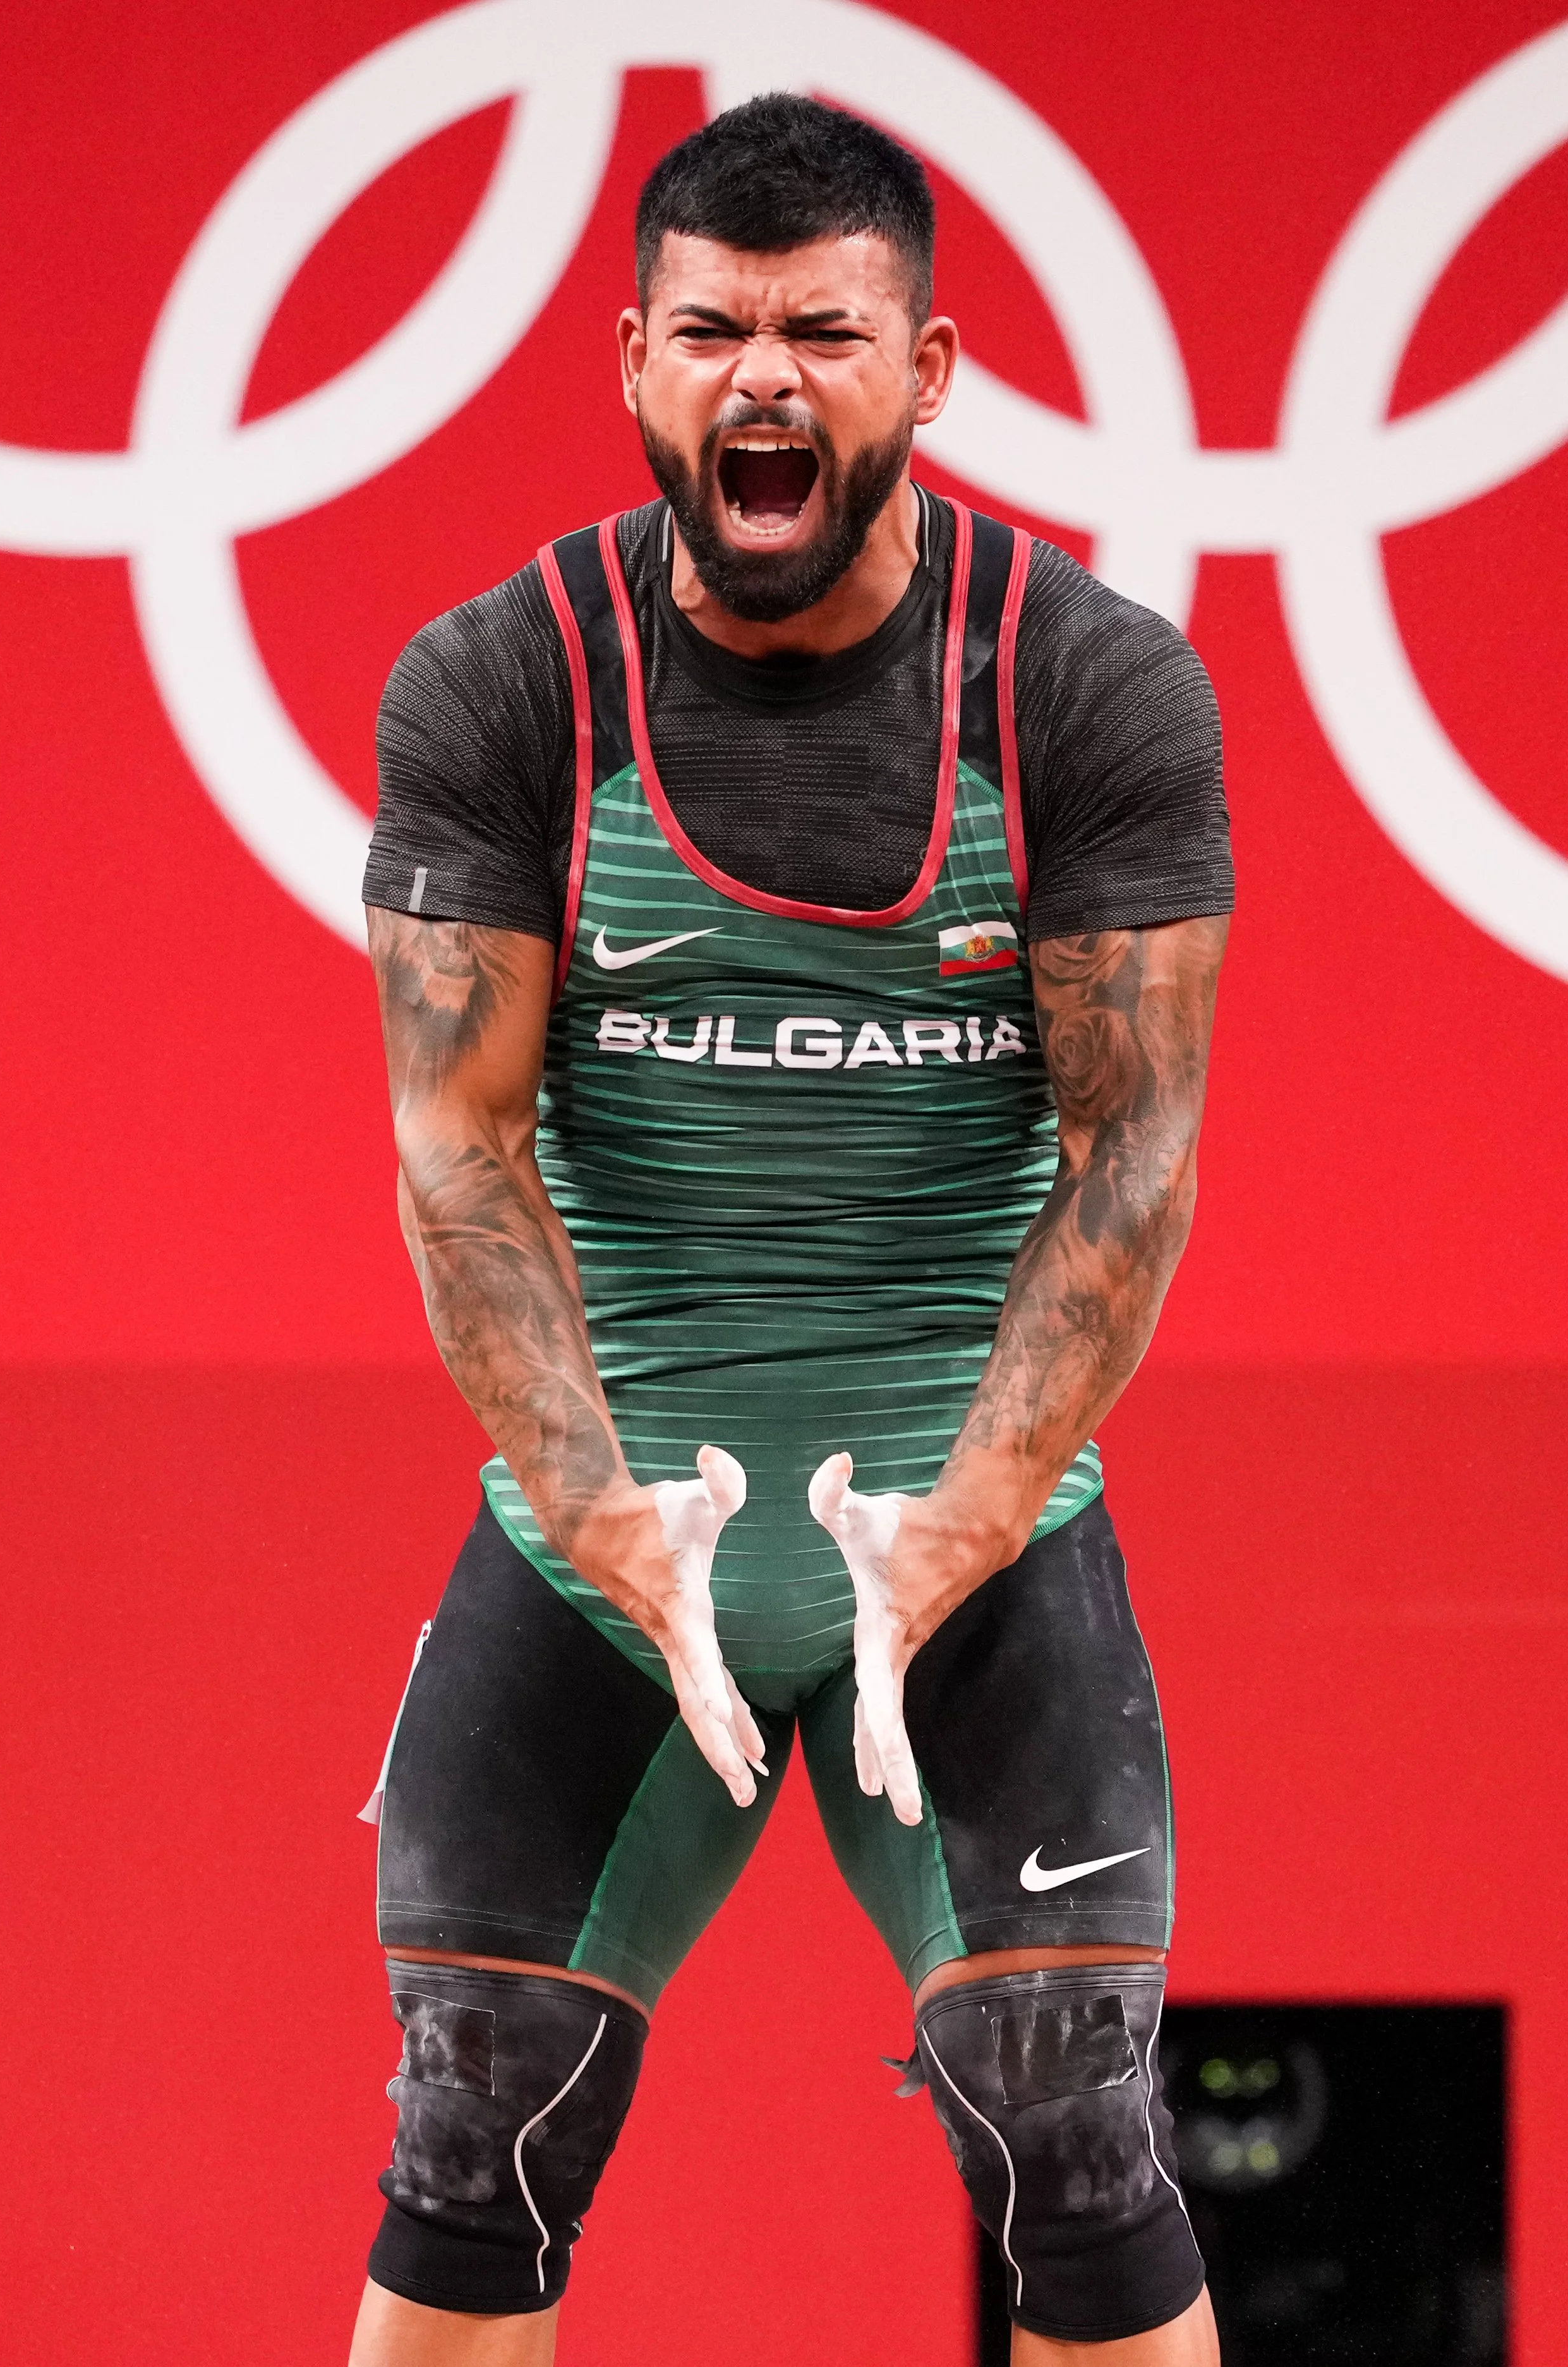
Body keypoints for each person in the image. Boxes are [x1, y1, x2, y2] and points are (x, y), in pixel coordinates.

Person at [352, 92, 1231, 2366]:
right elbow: (459, 1150)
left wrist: (972, 1518)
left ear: (927, 375)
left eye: (826, 335)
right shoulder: (500, 684)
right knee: (472, 2138)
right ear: (631, 364)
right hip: (607, 1560)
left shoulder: (1085, 690)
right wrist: (591, 1510)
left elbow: (1135, 1155)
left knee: (1085, 2138)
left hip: (969, 1545)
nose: (767, 379)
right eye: (715, 331)